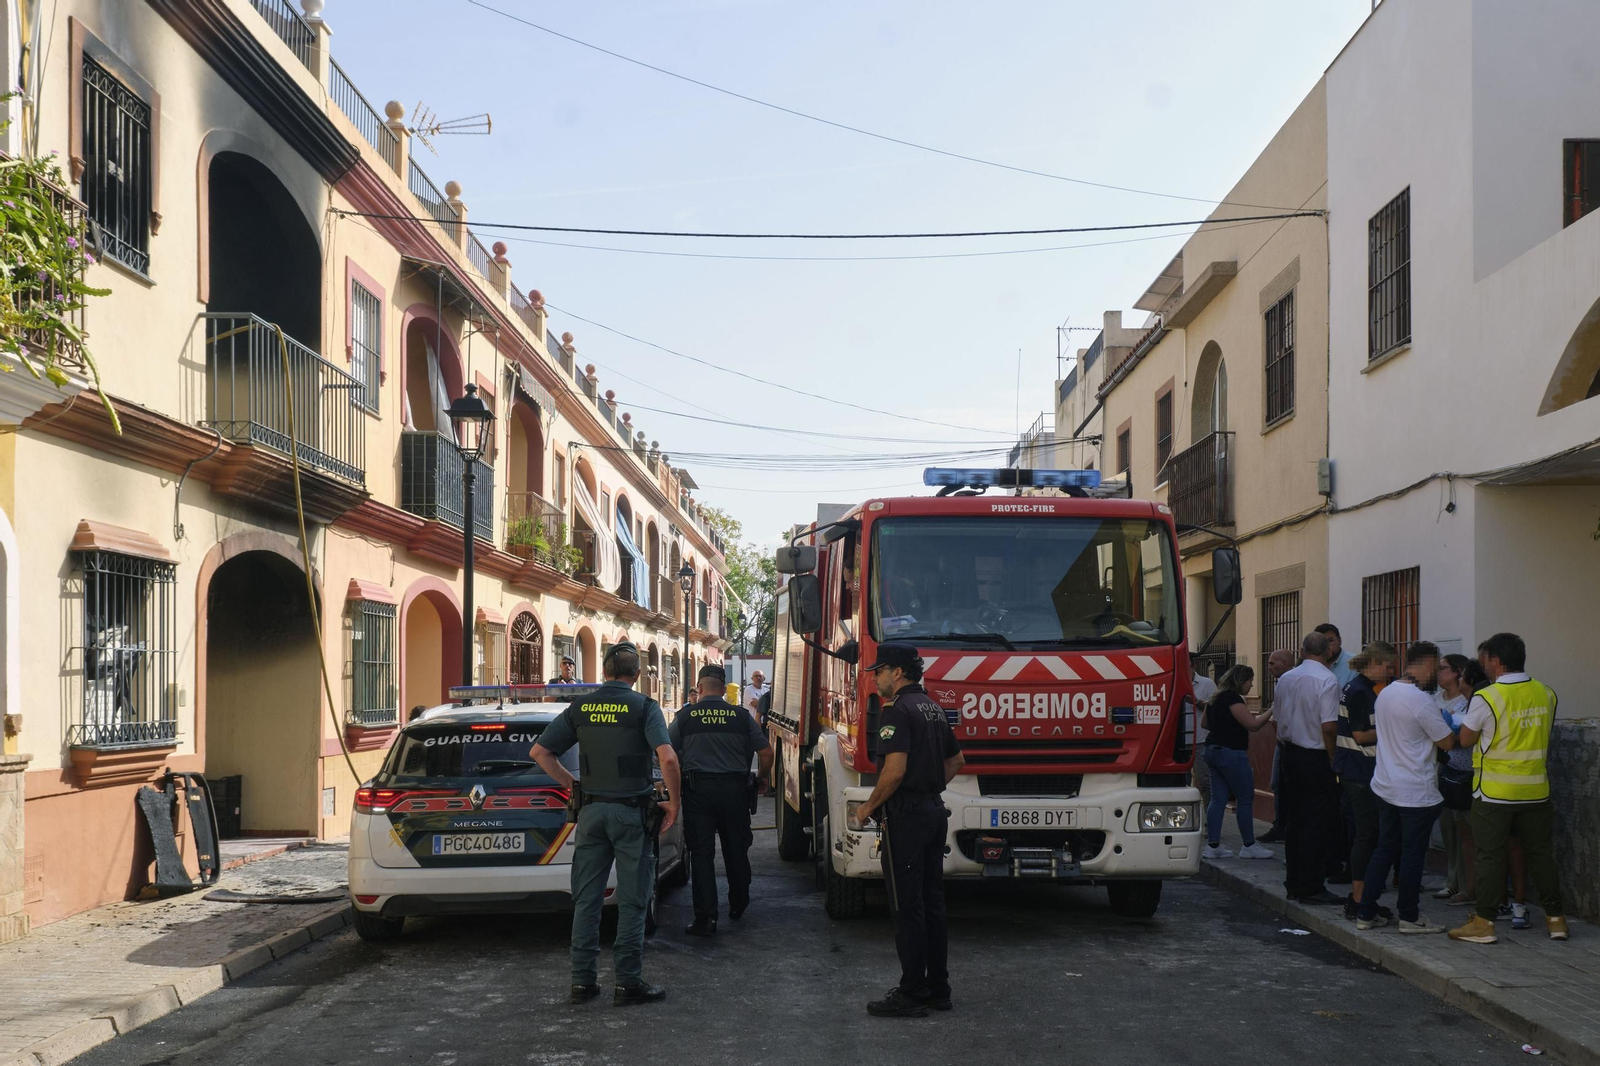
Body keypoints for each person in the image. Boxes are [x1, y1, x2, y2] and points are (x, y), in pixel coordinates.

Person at [529, 642, 680, 1005]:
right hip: (632, 814)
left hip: (592, 812)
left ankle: (582, 982)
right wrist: (674, 803)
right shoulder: (644, 707)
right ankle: (628, 982)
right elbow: (668, 758)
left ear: (605, 673)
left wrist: (573, 785)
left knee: (586, 899)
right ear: (637, 675)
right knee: (632, 900)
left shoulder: (580, 707)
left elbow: (539, 752)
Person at [849, 643, 964, 1018]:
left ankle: (912, 992)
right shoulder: (932, 707)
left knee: (906, 905)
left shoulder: (896, 711)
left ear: (897, 672)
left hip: (908, 819)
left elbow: (894, 772)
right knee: (932, 903)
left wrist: (868, 808)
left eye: (879, 671)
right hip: (932, 812)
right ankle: (938, 989)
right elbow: (956, 760)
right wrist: (929, 787)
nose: (877, 678)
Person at [1449, 633, 1568, 945]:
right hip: (1536, 791)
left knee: (1489, 855)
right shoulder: (1546, 693)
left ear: (1496, 661)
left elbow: (1466, 740)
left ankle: (1484, 922)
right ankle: (1556, 920)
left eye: (1486, 659)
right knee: (1541, 854)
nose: (1483, 665)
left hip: (1494, 793)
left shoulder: (1487, 697)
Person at [1355, 642, 1456, 933]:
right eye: (1435, 668)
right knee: (1412, 854)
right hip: (1415, 791)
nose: (1435, 674)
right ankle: (1410, 917)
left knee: (1384, 850)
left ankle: (1366, 912)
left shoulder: (1385, 693)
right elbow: (1447, 742)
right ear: (1425, 664)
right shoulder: (1419, 700)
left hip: (1386, 786)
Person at [671, 663, 773, 937]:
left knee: (702, 854)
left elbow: (668, 754)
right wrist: (761, 778)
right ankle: (738, 903)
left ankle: (706, 919)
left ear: (700, 688)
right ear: (725, 688)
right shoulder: (741, 717)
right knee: (736, 849)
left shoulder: (685, 716)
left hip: (697, 792)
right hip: (735, 791)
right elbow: (766, 753)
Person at [1272, 632, 1343, 904]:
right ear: (1328, 653)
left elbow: (1277, 720)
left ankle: (1295, 881)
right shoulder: (1327, 679)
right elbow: (1328, 726)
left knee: (1295, 820)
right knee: (1316, 822)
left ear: (1301, 652)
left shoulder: (1287, 678)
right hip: (1315, 756)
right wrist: (1333, 758)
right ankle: (1311, 886)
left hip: (1289, 752)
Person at [1336, 642, 1397, 922]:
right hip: (1360, 772)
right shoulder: (1360, 691)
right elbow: (1361, 735)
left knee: (1366, 835)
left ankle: (1360, 897)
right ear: (1376, 663)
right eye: (1389, 666)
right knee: (1367, 835)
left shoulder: (1358, 687)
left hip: (1356, 770)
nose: (1391, 672)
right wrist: (1391, 728)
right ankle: (1359, 900)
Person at [1199, 665, 1273, 859]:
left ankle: (1212, 846)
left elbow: (1204, 723)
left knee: (1217, 799)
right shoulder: (1233, 699)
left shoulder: (1215, 697)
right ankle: (1249, 845)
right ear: (1240, 681)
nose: (1251, 685)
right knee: (1245, 798)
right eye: (1249, 681)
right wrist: (1272, 709)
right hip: (1231, 752)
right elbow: (1253, 725)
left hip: (1211, 750)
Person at [1434, 654, 1485, 907]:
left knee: (1472, 838)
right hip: (1451, 775)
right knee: (1459, 835)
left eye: (1444, 668)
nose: (1438, 672)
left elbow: (1462, 740)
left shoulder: (1474, 704)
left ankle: (1474, 889)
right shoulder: (1457, 702)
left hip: (1471, 778)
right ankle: (1462, 886)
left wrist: (1447, 728)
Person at [1258, 649, 1297, 845]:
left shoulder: (1288, 680)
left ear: (1285, 662)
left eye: (1273, 663)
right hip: (1283, 742)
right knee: (1278, 785)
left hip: (1287, 742)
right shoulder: (1283, 681)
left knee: (1283, 785)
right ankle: (1281, 825)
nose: (1269, 667)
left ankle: (1282, 826)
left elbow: (1279, 717)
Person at [1190, 665, 1219, 813]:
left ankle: (1210, 820)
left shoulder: (1207, 684)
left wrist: (1196, 701)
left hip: (1200, 740)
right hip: (1179, 742)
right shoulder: (1173, 682)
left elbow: (1214, 708)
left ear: (1192, 666)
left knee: (1204, 781)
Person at [1318, 623, 1356, 689]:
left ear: (1340, 641)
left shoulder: (1355, 664)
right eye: (1322, 642)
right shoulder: (1313, 664)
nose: (1327, 646)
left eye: (1330, 641)